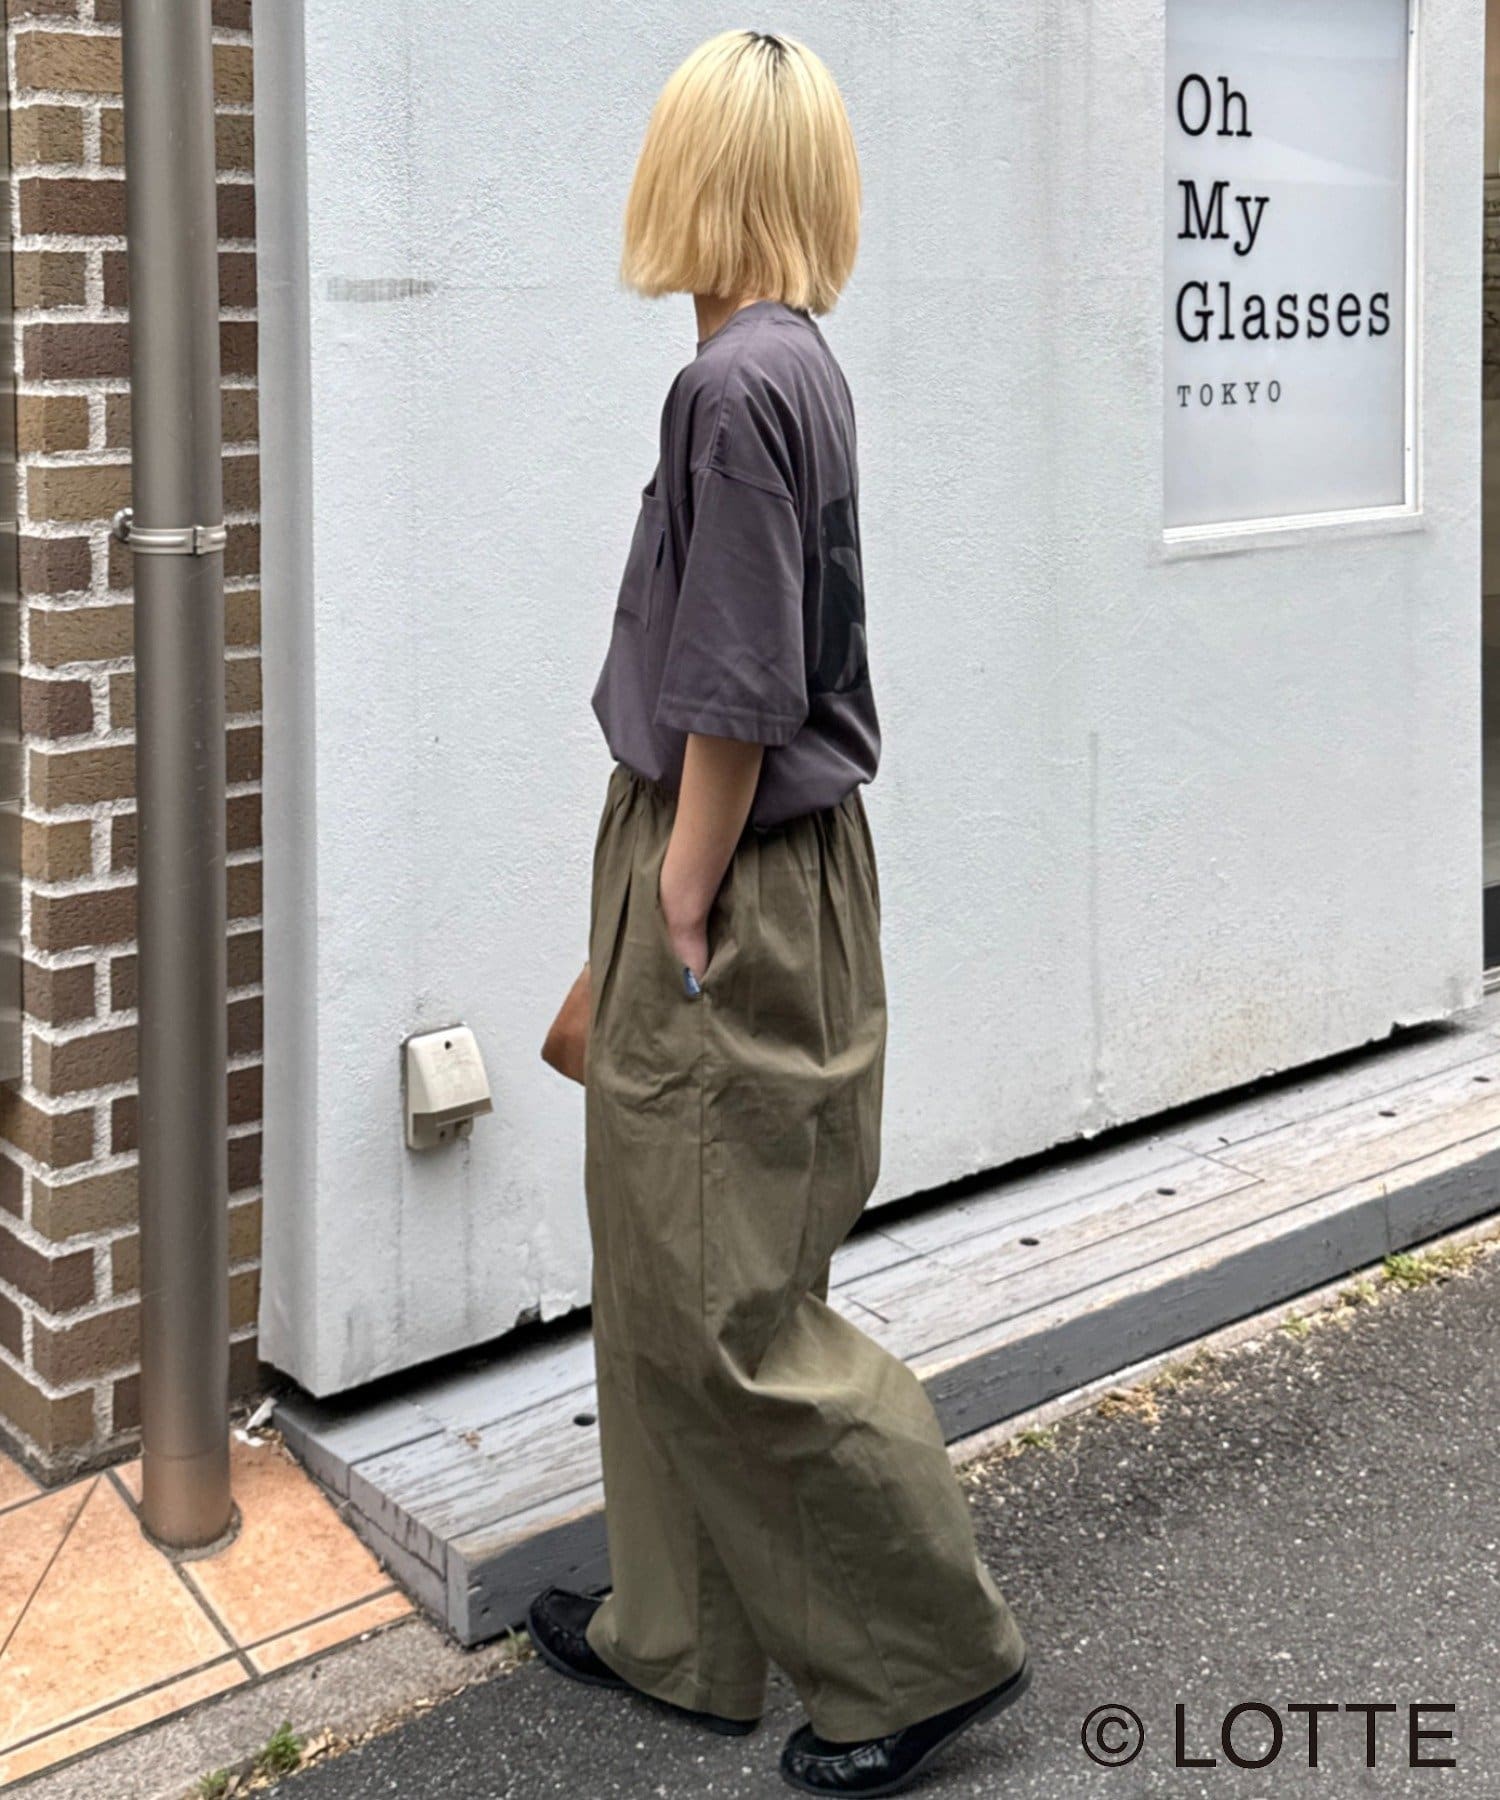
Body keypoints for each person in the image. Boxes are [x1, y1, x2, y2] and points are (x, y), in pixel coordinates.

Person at [529, 30, 1030, 1796]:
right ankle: (679, 1632)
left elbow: (737, 688)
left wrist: (676, 895)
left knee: (723, 1302)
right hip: (741, 850)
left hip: (728, 858)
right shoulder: (784, 362)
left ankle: (921, 1657)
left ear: (699, 174)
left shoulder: (735, 386)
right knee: (666, 1262)